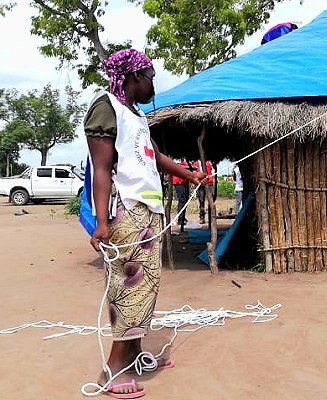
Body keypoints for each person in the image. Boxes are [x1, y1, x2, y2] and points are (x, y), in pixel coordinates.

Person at [84, 48, 206, 398]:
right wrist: (102, 222)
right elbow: (102, 169)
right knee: (129, 289)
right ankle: (114, 369)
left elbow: (154, 155)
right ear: (134, 77)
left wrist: (189, 174)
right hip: (126, 210)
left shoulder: (134, 114)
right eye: (151, 77)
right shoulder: (106, 108)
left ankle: (135, 355)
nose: (154, 85)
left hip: (146, 212)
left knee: (146, 287)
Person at [192, 160, 215, 224]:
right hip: (200, 184)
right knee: (201, 201)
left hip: (209, 183)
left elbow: (212, 170)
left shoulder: (209, 161)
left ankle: (211, 217)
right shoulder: (196, 163)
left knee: (211, 200)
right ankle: (202, 217)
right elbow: (194, 173)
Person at [172, 159, 189, 226]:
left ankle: (183, 217)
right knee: (182, 200)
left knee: (185, 200)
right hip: (178, 182)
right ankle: (180, 219)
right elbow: (178, 167)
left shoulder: (184, 160)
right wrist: (189, 168)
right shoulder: (176, 158)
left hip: (184, 181)